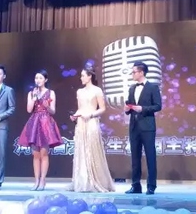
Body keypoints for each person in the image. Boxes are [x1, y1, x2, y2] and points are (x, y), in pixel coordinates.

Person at [67, 66, 115, 193]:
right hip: (81, 123)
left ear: (89, 76)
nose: (81, 78)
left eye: (83, 75)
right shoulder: (79, 92)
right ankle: (82, 181)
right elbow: (80, 108)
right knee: (81, 150)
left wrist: (91, 114)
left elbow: (102, 108)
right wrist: (75, 116)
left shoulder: (97, 90)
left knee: (92, 150)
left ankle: (96, 180)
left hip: (92, 121)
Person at [18, 70, 63, 191]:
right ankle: (36, 181)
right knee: (35, 154)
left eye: (40, 78)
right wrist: (34, 98)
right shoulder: (31, 93)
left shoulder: (51, 93)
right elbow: (29, 110)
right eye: (36, 78)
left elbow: (53, 111)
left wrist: (47, 106)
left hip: (46, 123)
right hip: (34, 122)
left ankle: (43, 180)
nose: (38, 80)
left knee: (44, 153)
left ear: (45, 80)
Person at [124, 61, 162, 195]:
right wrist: (127, 110)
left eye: (134, 72)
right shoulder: (132, 88)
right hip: (134, 126)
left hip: (147, 126)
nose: (132, 74)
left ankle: (151, 186)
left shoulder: (153, 87)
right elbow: (130, 106)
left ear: (141, 72)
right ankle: (136, 185)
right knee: (135, 157)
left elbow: (158, 106)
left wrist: (143, 109)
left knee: (150, 156)